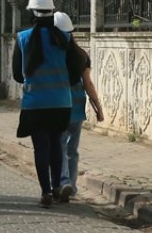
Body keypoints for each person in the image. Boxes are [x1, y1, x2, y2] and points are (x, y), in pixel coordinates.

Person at [12, 0, 81, 208]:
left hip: (35, 104)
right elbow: (76, 68)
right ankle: (57, 186)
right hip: (61, 103)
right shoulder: (64, 38)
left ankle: (45, 192)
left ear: (32, 12)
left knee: (40, 149)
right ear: (52, 12)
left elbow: (16, 75)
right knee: (56, 147)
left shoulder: (23, 38)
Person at [53, 12, 104, 202]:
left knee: (60, 147)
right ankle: (72, 187)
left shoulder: (53, 55)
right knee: (72, 149)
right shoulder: (81, 54)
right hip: (77, 106)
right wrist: (98, 107)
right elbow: (88, 83)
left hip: (59, 105)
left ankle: (64, 180)